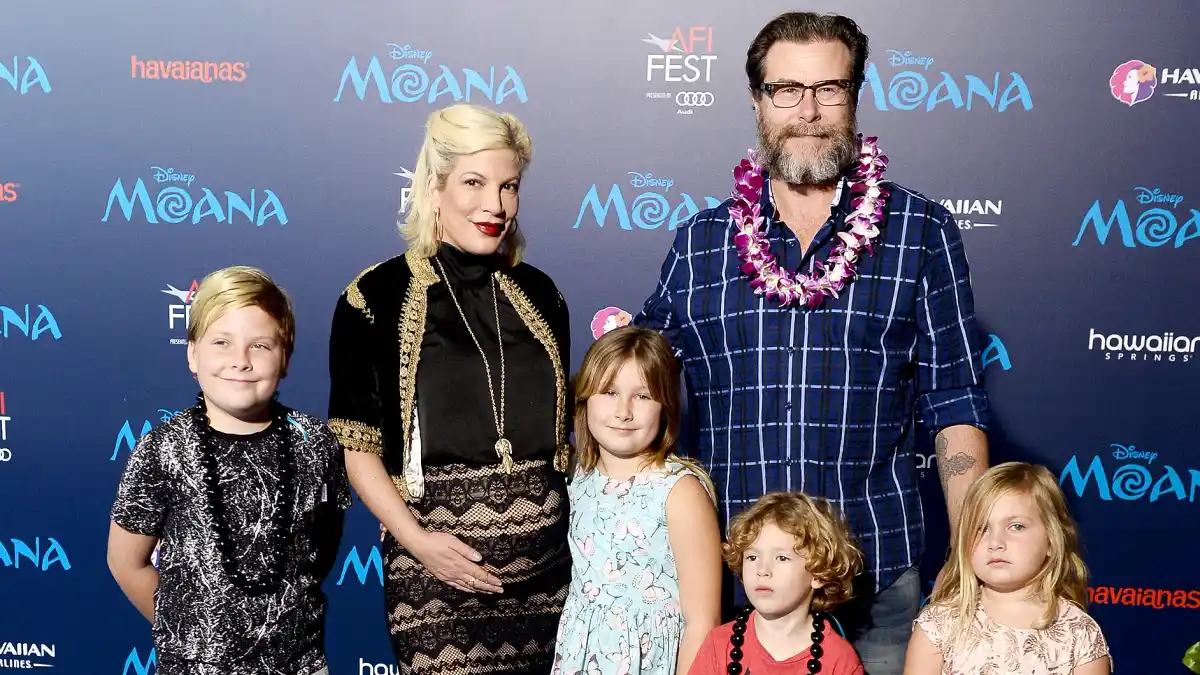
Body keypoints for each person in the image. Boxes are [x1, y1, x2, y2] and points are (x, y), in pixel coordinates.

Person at [634, 12, 991, 672]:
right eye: (786, 90)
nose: (809, 111)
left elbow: (954, 402)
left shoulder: (921, 231)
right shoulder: (701, 243)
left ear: (855, 94)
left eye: (830, 88)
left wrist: (970, 551)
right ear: (756, 99)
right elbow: (632, 391)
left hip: (875, 580)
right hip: (742, 583)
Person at [327, 103, 572, 674]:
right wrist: (418, 542)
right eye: (474, 182)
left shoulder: (541, 293)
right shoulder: (374, 297)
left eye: (509, 186)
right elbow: (357, 447)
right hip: (437, 583)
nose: (495, 204)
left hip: (552, 584)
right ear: (434, 188)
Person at [107, 266, 350, 675]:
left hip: (297, 664)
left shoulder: (315, 442)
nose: (240, 361)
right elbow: (126, 562)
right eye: (221, 342)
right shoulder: (163, 448)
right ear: (192, 354)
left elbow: (321, 549)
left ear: (285, 357)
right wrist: (189, 633)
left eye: (260, 346)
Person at [552, 326, 722, 675]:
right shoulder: (576, 476)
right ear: (583, 400)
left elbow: (704, 621)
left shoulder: (680, 492)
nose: (623, 411)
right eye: (609, 392)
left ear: (666, 407)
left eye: (642, 396)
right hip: (580, 659)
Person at [903, 462, 1111, 674]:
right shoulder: (939, 625)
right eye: (982, 528)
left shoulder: (1079, 632)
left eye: (1016, 526)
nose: (995, 542)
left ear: (1051, 539)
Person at [688, 492, 865, 675]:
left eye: (781, 558)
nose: (762, 569)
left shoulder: (839, 660)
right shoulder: (719, 644)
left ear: (818, 574)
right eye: (752, 557)